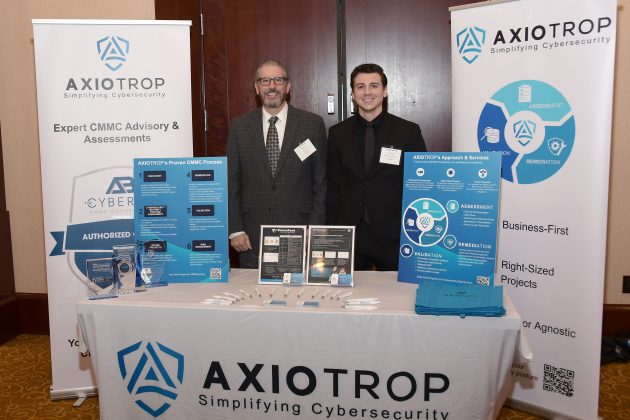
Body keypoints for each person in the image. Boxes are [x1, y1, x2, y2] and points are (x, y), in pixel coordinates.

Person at [228, 59, 327, 268]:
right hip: (251, 236)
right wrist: (235, 229)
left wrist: (315, 229)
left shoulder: (312, 124)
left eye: (278, 80)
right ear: (257, 88)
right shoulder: (239, 126)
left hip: (300, 233)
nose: (271, 86)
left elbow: (321, 182)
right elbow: (231, 181)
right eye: (265, 81)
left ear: (287, 86)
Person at [327, 63, 426, 271]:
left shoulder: (408, 132)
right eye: (360, 86)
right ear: (353, 94)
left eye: (374, 85)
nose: (367, 92)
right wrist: (331, 230)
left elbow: (420, 185)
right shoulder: (337, 133)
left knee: (397, 292)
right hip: (350, 234)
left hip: (394, 234)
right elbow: (333, 186)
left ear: (385, 91)